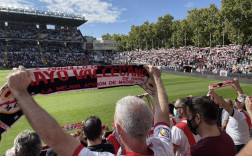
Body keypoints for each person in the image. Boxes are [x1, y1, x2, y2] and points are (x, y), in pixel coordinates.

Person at [7, 65, 174, 156]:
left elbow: (56, 138)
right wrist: (157, 78)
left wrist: (20, 92)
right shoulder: (163, 146)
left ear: (119, 129)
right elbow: (163, 116)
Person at [210, 79, 251, 153]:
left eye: (236, 100)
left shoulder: (239, 115)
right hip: (244, 143)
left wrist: (213, 93)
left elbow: (224, 105)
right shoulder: (247, 112)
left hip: (236, 145)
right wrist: (237, 85)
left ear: (241, 105)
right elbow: (242, 98)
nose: (234, 101)